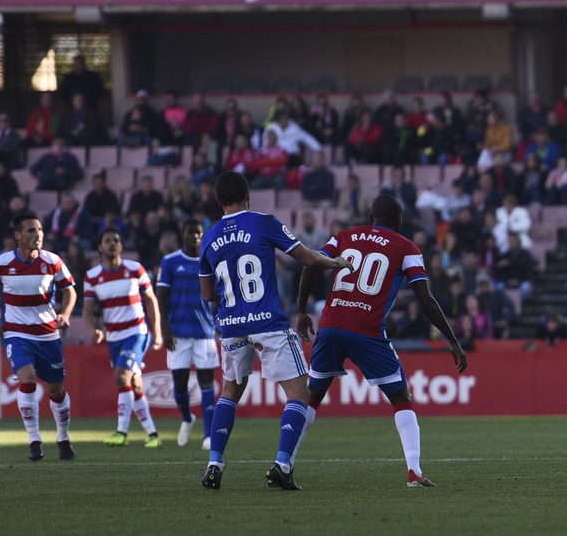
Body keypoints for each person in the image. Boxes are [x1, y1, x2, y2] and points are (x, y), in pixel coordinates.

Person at [295, 194, 468, 488]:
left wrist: (301, 311)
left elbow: (311, 264)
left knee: (312, 395)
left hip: (331, 324)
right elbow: (424, 299)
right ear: (398, 220)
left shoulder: (343, 236)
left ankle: (284, 462)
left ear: (371, 216)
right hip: (367, 330)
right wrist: (452, 339)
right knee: (401, 398)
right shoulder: (406, 247)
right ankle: (414, 471)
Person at [197, 170, 354, 491]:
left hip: (230, 325)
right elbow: (307, 257)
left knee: (229, 392)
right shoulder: (262, 221)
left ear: (217, 201)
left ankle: (215, 463)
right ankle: (283, 463)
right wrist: (337, 263)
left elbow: (208, 294)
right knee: (299, 394)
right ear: (248, 195)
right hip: (267, 322)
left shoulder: (209, 237)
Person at [0, 212, 78, 460]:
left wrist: (65, 314)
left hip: (47, 335)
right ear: (18, 236)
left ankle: (63, 438)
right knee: (27, 379)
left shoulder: (52, 261)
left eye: (40, 230)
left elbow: (70, 292)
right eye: (31, 230)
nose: (38, 235)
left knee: (56, 390)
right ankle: (34, 440)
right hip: (16, 333)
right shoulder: (3, 263)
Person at [83, 229, 164, 448]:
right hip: (114, 337)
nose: (112, 244)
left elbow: (151, 300)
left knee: (121, 376)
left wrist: (156, 331)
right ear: (100, 247)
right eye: (107, 240)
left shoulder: (135, 269)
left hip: (136, 333)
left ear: (121, 246)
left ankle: (121, 432)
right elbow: (87, 311)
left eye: (116, 241)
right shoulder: (91, 277)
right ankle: (153, 435)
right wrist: (92, 329)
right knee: (135, 385)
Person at [157, 217, 220, 449]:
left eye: (198, 233)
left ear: (203, 236)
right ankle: (186, 417)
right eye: (190, 232)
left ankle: (208, 435)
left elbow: (219, 295)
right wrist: (164, 328)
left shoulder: (210, 261)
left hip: (204, 331)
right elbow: (161, 296)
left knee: (206, 381)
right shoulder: (170, 262)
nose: (194, 236)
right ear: (183, 234)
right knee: (180, 385)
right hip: (178, 333)